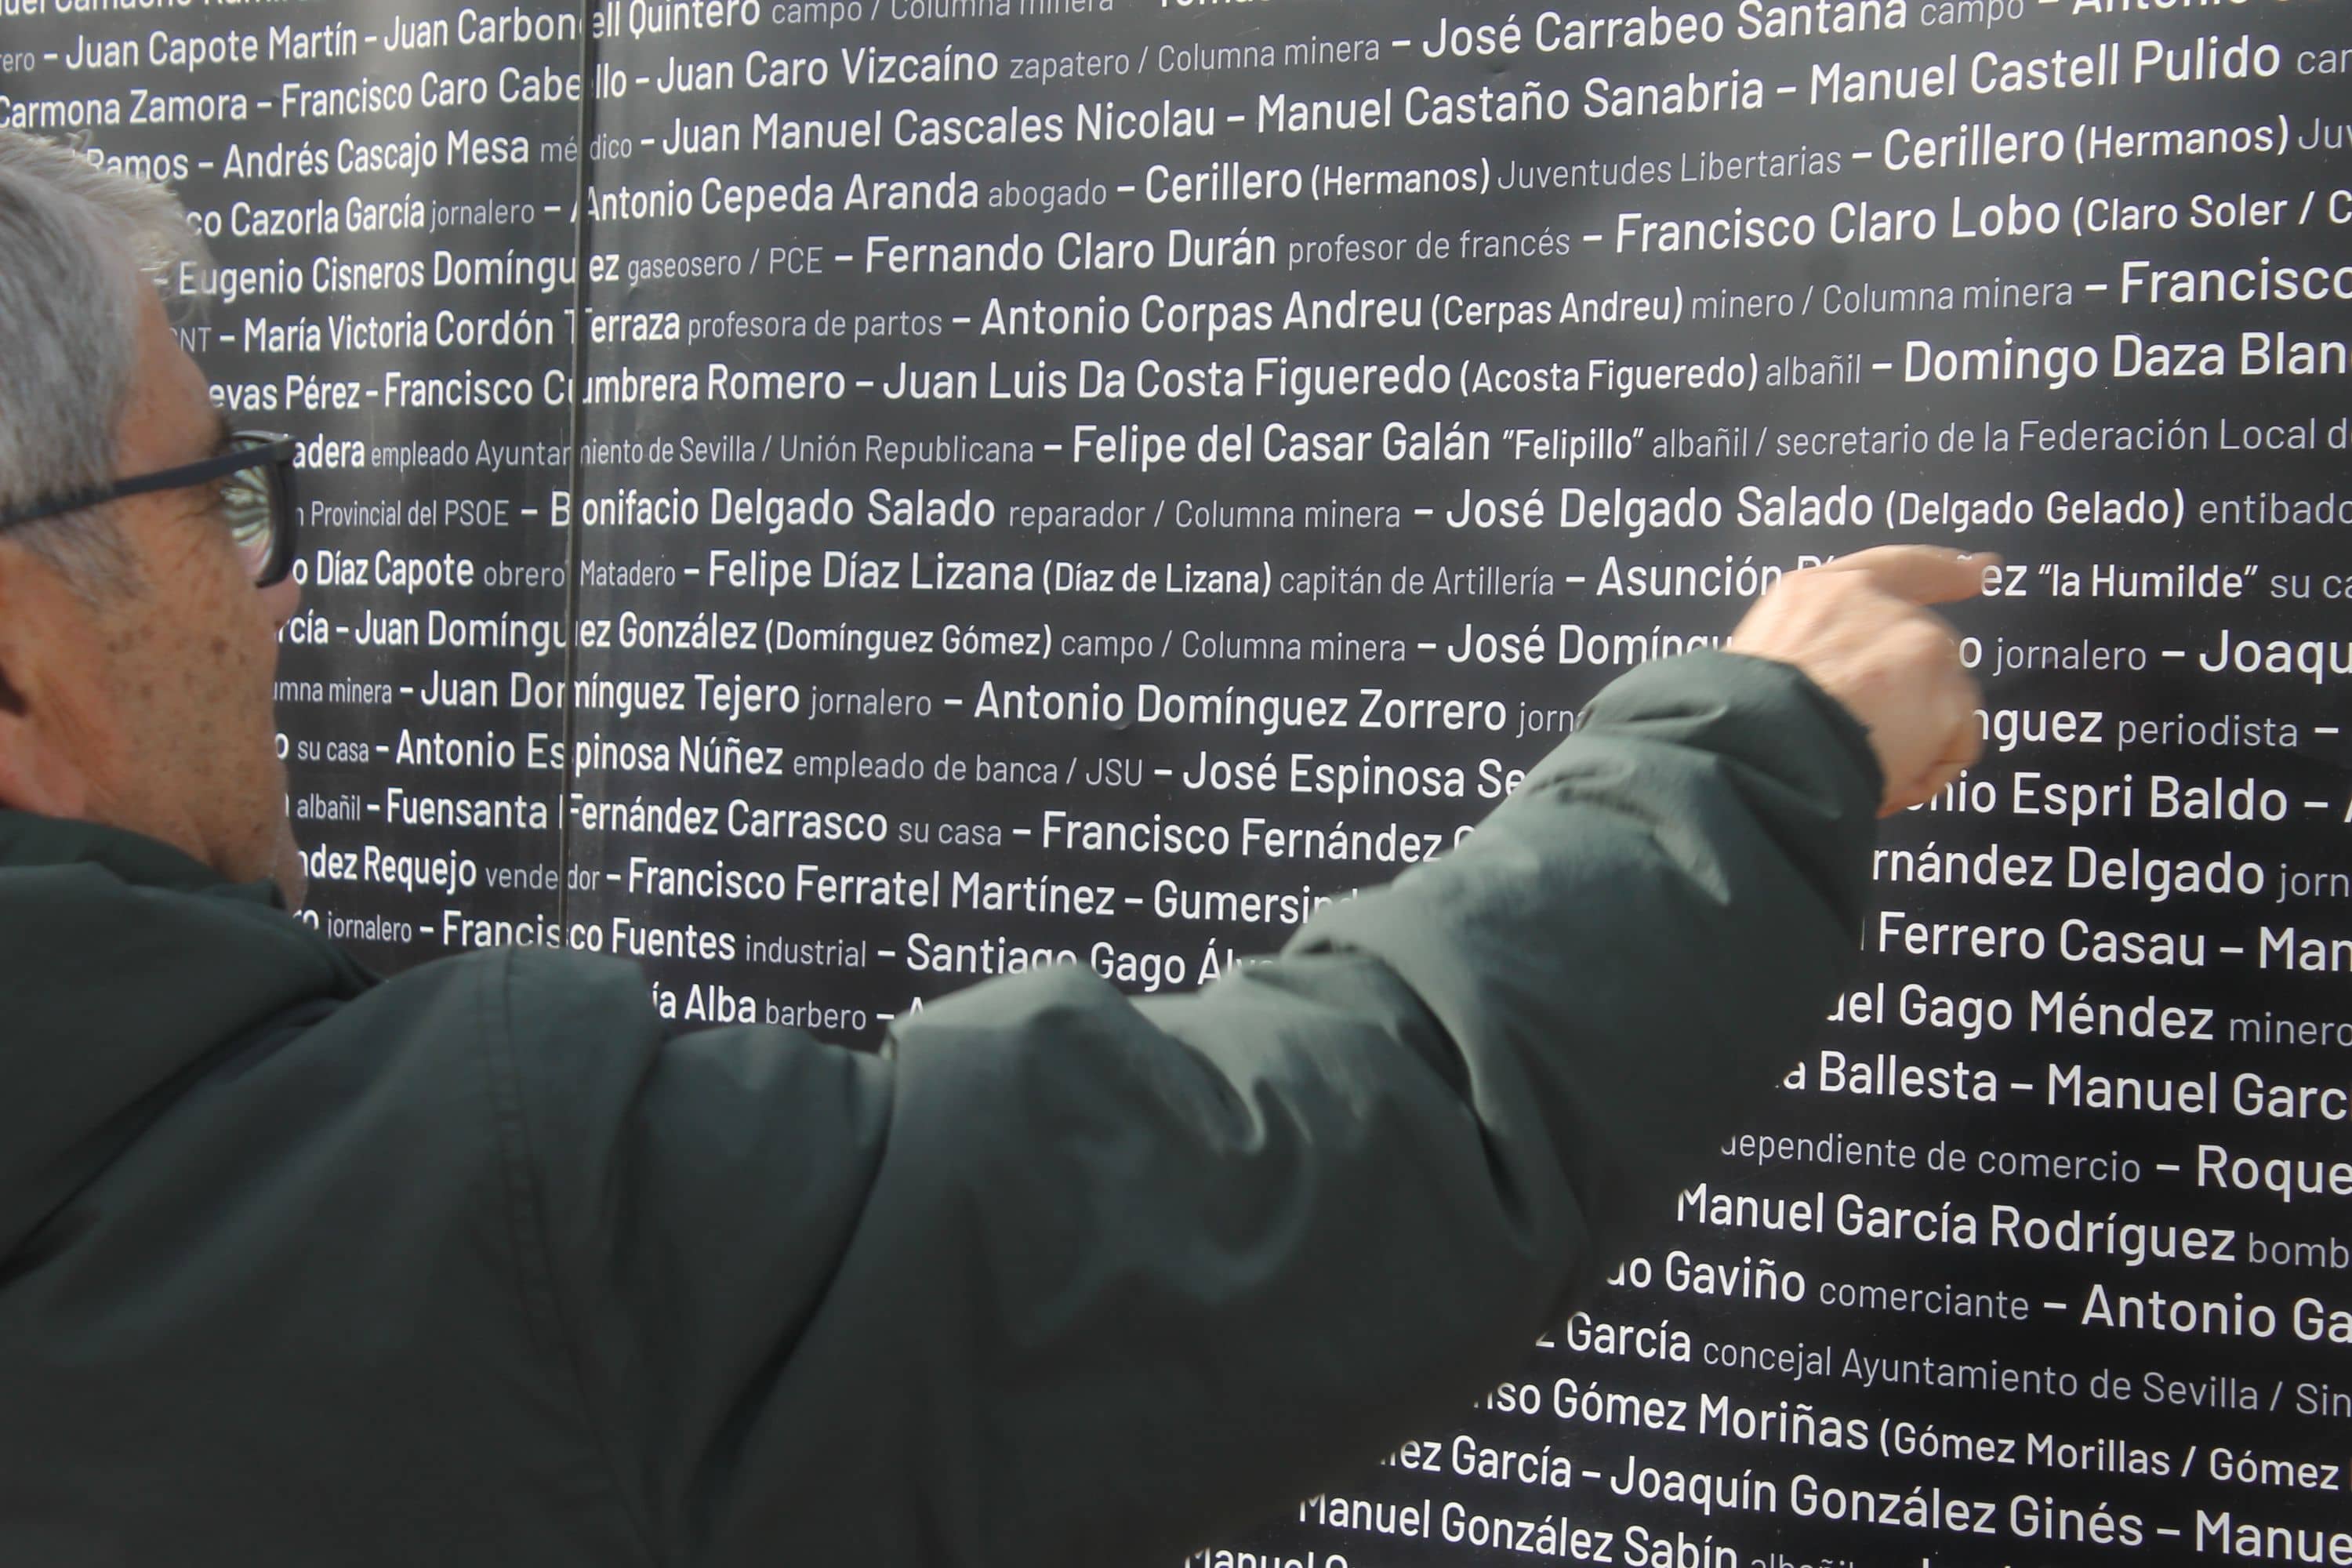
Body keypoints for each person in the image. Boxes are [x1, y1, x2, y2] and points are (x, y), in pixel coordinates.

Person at [0, 128, 1985, 1566]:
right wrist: (1746, 758)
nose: (270, 597)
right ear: (17, 667)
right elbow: (1168, 1230)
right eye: (223, 500)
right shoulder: (285, 1238)